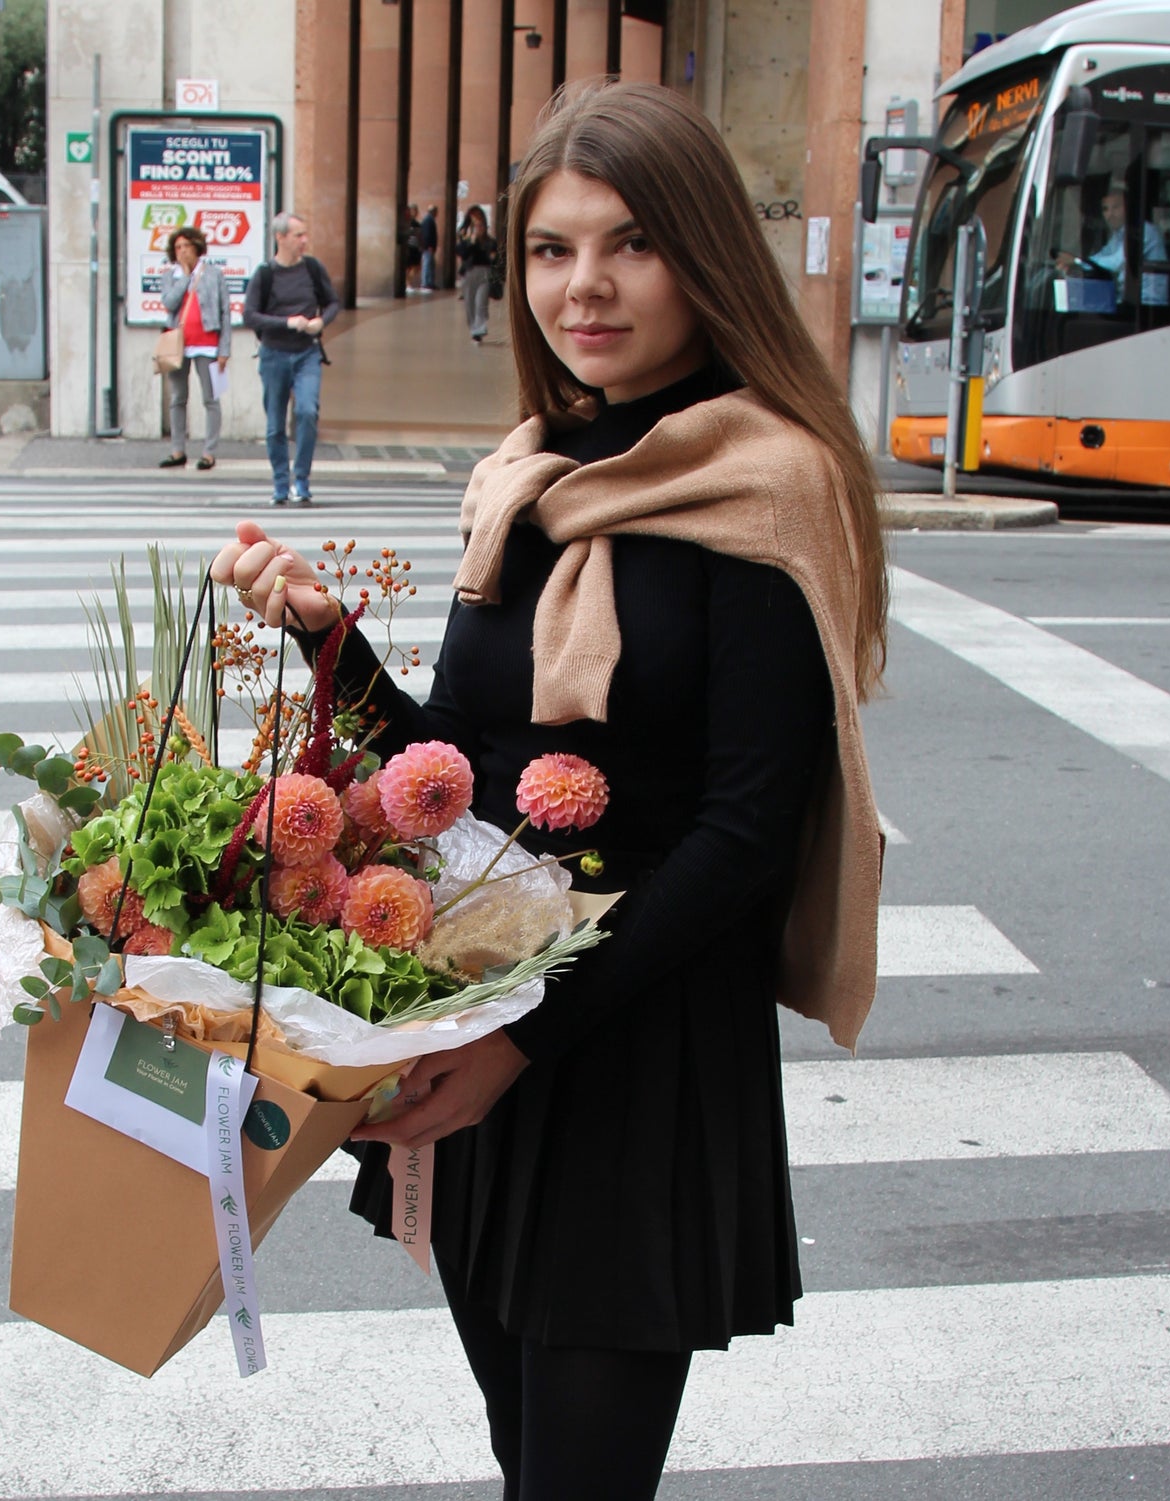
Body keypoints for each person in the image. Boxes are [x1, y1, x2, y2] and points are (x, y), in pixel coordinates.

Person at [213, 80, 886, 1501]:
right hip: (496, 1035)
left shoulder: (772, 485)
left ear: (702, 253)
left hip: (633, 1051)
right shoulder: (527, 478)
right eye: (549, 250)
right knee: (529, 1454)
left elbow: (749, 829)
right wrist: (322, 635)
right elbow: (449, 774)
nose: (584, 287)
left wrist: (520, 1044)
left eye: (630, 244)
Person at [242, 212, 340, 506]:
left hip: (307, 353)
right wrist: (286, 322)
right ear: (280, 237)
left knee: (307, 412)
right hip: (274, 354)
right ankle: (281, 485)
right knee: (275, 424)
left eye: (305, 234)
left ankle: (302, 481)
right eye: (298, 235)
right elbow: (249, 315)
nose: (304, 241)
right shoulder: (265, 274)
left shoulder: (312, 268)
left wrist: (321, 322)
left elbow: (333, 302)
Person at [157, 226, 231, 471]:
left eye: (186, 246)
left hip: (208, 346)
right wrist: (185, 279)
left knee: (211, 399)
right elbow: (169, 303)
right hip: (179, 346)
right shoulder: (171, 276)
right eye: (178, 248)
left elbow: (225, 312)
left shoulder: (213, 274)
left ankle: (209, 452)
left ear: (197, 248)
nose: (182, 252)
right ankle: (178, 450)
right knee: (178, 398)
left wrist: (224, 349)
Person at [1056, 185, 1169, 305]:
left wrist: (1076, 261)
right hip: (1126, 299)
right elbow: (1103, 256)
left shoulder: (1144, 231)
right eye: (1105, 209)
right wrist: (1076, 263)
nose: (1110, 214)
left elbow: (1116, 263)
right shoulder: (1120, 234)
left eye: (1116, 207)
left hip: (1147, 303)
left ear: (1128, 208)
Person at [457, 204, 497, 343]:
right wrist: (471, 241)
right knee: (470, 303)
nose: (478, 226)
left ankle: (479, 329)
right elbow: (462, 254)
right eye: (475, 222)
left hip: (484, 273)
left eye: (480, 223)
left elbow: (494, 256)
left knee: (481, 301)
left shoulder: (489, 240)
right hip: (469, 273)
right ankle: (473, 327)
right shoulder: (465, 238)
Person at [419, 204, 439, 291]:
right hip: (428, 247)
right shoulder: (428, 220)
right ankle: (425, 283)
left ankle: (429, 282)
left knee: (430, 264)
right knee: (427, 264)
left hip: (428, 247)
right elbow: (427, 234)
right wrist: (429, 246)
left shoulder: (429, 219)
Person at [403, 204, 422, 290]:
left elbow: (419, 235)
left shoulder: (415, 223)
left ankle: (408, 283)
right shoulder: (407, 222)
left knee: (416, 267)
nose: (415, 212)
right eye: (413, 211)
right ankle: (407, 284)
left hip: (415, 247)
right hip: (410, 247)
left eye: (416, 211)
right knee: (409, 267)